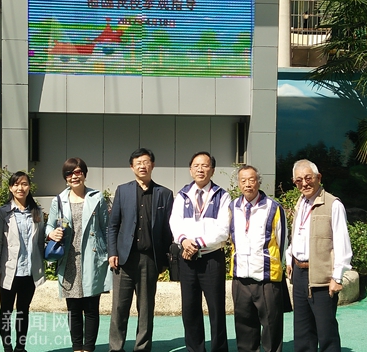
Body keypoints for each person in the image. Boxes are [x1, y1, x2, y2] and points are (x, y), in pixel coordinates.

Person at [107, 148, 174, 352]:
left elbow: (168, 230)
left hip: (149, 259)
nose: (142, 166)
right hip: (124, 259)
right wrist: (112, 252)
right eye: (138, 163)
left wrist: (164, 260)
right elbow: (113, 225)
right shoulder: (123, 191)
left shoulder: (165, 194)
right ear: (132, 167)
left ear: (152, 165)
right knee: (119, 308)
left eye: (146, 162)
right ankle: (116, 348)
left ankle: (142, 348)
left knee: (145, 309)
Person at [285, 159, 353, 352]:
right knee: (302, 330)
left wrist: (337, 277)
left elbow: (342, 242)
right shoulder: (301, 202)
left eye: (308, 178)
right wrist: (290, 258)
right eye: (299, 180)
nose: (304, 184)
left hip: (322, 277)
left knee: (326, 330)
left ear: (318, 177)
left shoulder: (333, 204)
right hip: (299, 273)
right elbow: (298, 236)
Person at [46, 157, 112, 352]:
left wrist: (110, 254)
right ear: (65, 178)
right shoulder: (59, 200)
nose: (74, 176)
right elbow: (49, 225)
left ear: (84, 174)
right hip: (69, 259)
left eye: (78, 172)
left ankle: (89, 348)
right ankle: (77, 347)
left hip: (93, 257)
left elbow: (106, 228)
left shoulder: (97, 198)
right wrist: (51, 233)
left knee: (91, 308)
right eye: (69, 173)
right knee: (73, 309)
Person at [169, 151, 231, 352]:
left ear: (212, 170)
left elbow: (224, 229)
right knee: (190, 308)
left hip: (212, 258)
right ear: (190, 170)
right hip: (187, 258)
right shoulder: (183, 194)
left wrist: (196, 243)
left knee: (216, 308)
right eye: (196, 166)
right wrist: (183, 240)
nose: (200, 169)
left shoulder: (222, 195)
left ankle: (219, 349)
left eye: (205, 166)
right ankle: (195, 349)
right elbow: (174, 222)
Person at [229, 165, 288, 352]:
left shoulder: (273, 208)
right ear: (239, 184)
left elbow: (283, 242)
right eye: (243, 180)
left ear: (258, 182)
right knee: (244, 327)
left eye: (251, 180)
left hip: (267, 278)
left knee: (271, 326)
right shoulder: (232, 207)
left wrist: (278, 268)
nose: (248, 184)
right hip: (241, 278)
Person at [0, 171, 46, 352]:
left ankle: (20, 347)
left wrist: (42, 267)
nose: (20, 188)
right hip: (9, 269)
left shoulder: (37, 212)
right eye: (16, 184)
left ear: (29, 187)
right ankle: (7, 347)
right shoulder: (3, 212)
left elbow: (40, 241)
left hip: (30, 271)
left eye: (24, 184)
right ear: (10, 188)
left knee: (24, 310)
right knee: (6, 311)